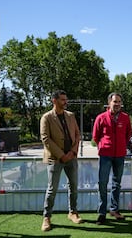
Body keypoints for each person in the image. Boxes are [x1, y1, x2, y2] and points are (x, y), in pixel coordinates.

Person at [40, 90, 82, 232]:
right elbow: (46, 139)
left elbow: (77, 135)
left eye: (66, 99)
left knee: (74, 186)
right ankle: (47, 217)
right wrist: (61, 155)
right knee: (52, 189)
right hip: (55, 159)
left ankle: (73, 212)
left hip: (71, 157)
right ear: (54, 101)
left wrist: (73, 152)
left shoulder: (70, 116)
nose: (66, 102)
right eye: (63, 99)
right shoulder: (46, 117)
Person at [93, 93, 132, 225]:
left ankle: (114, 210)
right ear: (109, 102)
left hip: (120, 155)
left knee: (117, 184)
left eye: (119, 102)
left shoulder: (125, 118)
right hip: (105, 155)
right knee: (102, 183)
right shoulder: (101, 117)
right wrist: (102, 147)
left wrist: (122, 146)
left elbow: (128, 134)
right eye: (115, 101)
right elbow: (95, 136)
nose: (117, 104)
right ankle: (102, 212)